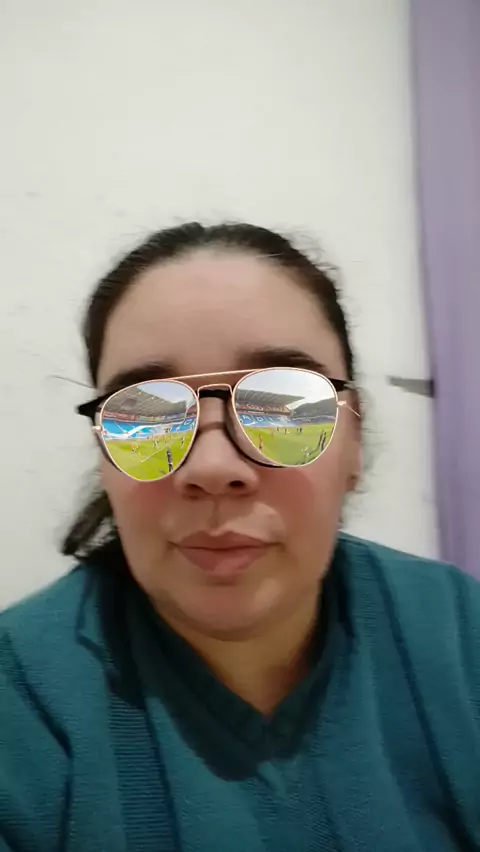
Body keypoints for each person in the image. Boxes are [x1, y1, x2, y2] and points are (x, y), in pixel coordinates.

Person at [1, 222, 480, 852]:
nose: (212, 467)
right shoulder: (22, 700)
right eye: (146, 415)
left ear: (354, 442)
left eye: (284, 405)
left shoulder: (460, 634)